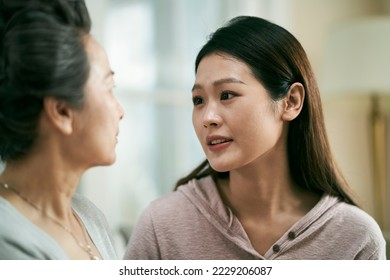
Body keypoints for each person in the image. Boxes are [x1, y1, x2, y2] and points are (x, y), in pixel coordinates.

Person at [124, 16, 386, 260]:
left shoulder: (357, 238)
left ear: (291, 102)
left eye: (227, 95)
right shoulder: (162, 225)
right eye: (198, 100)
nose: (207, 117)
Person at [0, 0, 124, 260]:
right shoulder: (8, 238)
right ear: (62, 112)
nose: (120, 110)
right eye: (109, 88)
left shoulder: (89, 216)